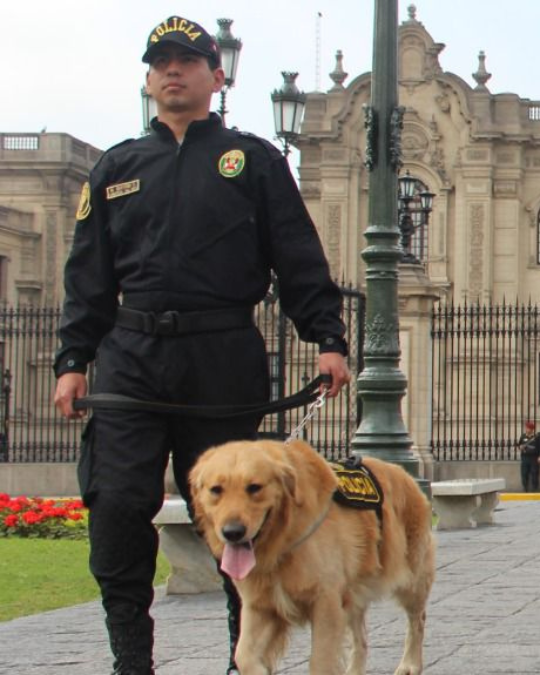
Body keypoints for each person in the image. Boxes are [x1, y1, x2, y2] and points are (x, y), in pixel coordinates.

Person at [51, 16, 352, 675]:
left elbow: (297, 255)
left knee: (235, 515)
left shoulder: (254, 161)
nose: (172, 71)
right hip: (131, 355)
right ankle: (131, 659)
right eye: (161, 62)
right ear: (149, 78)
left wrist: (327, 335)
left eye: (187, 61)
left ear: (217, 77)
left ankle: (241, 660)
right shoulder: (117, 168)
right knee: (119, 503)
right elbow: (89, 276)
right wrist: (74, 359)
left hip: (221, 354)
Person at [517, 420, 540, 492]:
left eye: (529, 428)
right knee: (524, 473)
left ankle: (535, 488)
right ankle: (525, 488)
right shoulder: (523, 436)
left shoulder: (536, 437)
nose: (527, 429)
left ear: (532, 429)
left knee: (534, 473)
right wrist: (520, 447)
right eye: (527, 428)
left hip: (534, 458)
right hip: (525, 457)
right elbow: (519, 445)